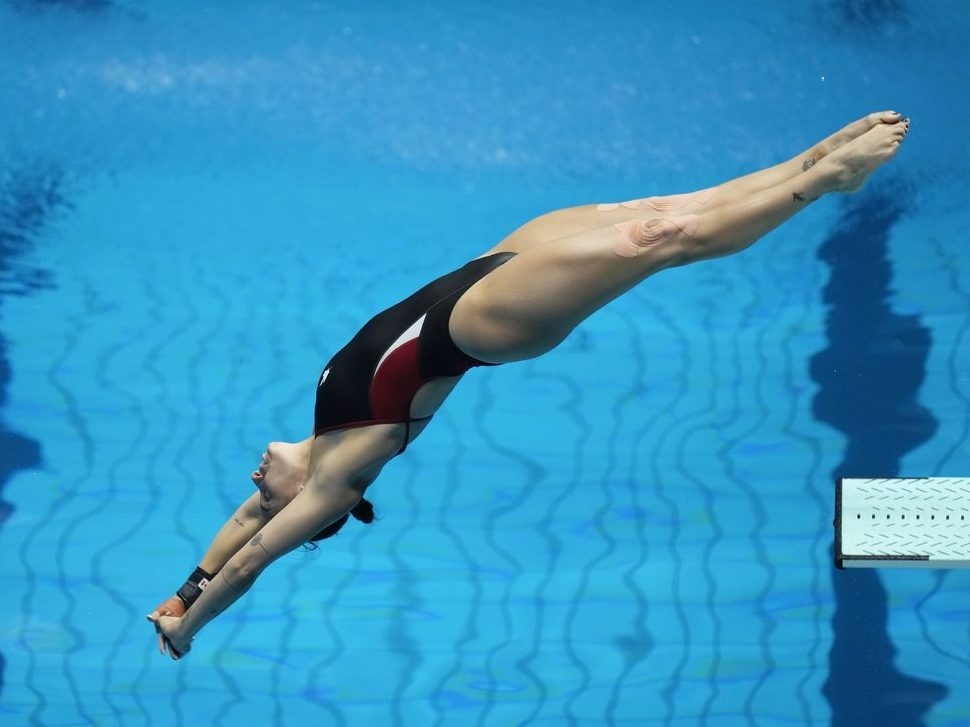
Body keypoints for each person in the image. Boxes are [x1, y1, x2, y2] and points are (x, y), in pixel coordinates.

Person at [147, 111, 909, 659]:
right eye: (265, 495)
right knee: (661, 240)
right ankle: (827, 182)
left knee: (663, 209)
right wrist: (190, 627)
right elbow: (249, 560)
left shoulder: (316, 438)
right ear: (301, 505)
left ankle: (811, 159)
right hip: (491, 321)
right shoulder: (336, 478)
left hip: (487, 267)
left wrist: (185, 588)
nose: (253, 483)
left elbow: (235, 534)